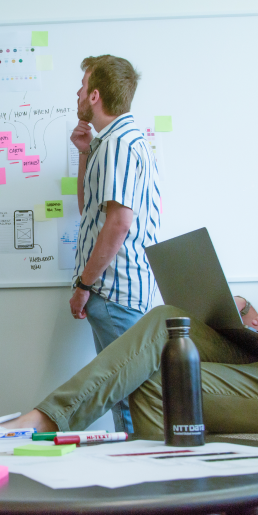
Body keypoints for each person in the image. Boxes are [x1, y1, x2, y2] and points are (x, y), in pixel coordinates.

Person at [0, 135, 258, 442]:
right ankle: (38, 426)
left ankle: (31, 429)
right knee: (167, 323)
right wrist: (250, 318)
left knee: (158, 381)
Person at [68, 55, 160, 433]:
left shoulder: (118, 144)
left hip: (114, 290)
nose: (76, 92)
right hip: (121, 290)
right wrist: (85, 154)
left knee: (129, 403)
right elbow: (89, 210)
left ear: (94, 95)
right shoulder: (114, 143)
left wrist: (84, 284)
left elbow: (118, 224)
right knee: (131, 398)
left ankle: (140, 485)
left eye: (82, 85)